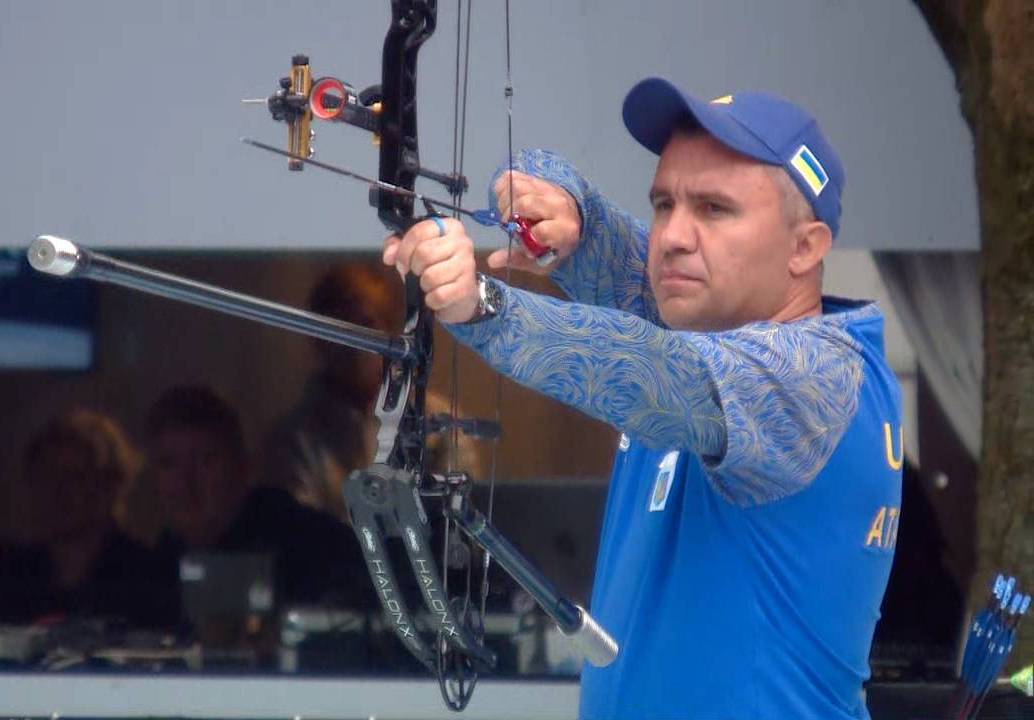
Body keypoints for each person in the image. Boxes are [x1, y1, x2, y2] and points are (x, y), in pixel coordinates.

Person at [381, 77, 902, 719]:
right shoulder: (707, 314)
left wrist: (481, 304)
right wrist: (559, 204)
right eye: (663, 204)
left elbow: (652, 369)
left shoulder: (815, 376)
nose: (673, 235)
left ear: (804, 248)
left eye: (714, 209)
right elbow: (607, 249)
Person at [261, 262, 481, 523]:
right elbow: (299, 531)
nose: (354, 343)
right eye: (339, 328)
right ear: (317, 339)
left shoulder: (440, 424)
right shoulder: (293, 441)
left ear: (391, 334)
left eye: (366, 324)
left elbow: (462, 519)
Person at [138, 385, 367, 627]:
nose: (185, 481)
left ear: (242, 466)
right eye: (168, 464)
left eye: (206, 460)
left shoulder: (303, 540)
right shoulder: (159, 566)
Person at [0, 409, 169, 628]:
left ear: (109, 486)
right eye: (46, 475)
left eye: (74, 477)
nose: (57, 490)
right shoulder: (13, 578)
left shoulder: (147, 577)